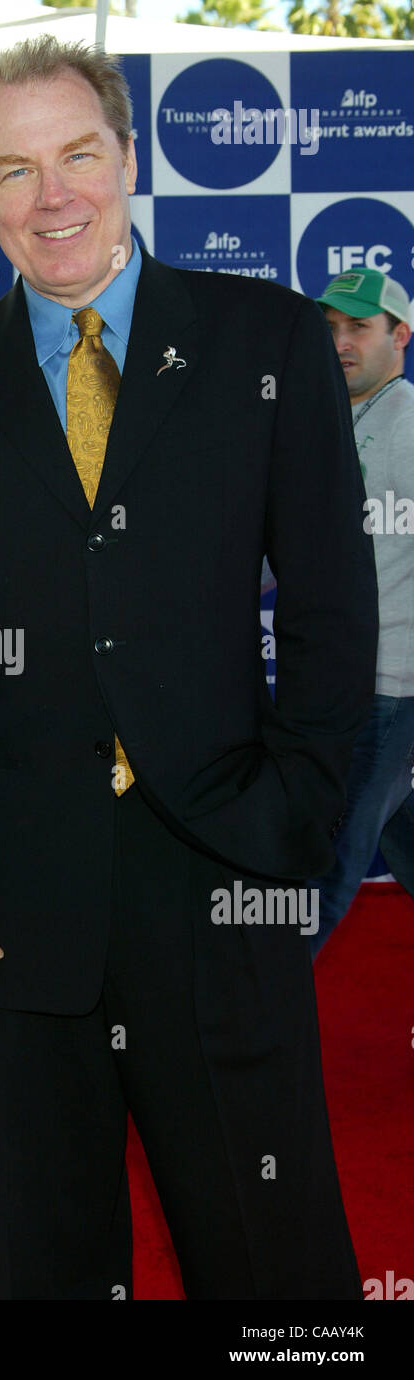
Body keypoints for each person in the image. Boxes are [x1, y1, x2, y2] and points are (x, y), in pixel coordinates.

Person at [0, 37, 378, 1300]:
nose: (56, 197)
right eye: (18, 170)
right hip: (17, 910)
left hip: (223, 869)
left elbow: (329, 602)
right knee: (50, 1261)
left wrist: (295, 814)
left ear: (130, 160)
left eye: (80, 154)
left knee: (276, 1262)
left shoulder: (264, 338)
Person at [305, 270, 414, 956]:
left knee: (326, 863)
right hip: (343, 682)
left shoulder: (407, 430)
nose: (341, 343)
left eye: (359, 328)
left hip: (386, 689)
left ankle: (246, 1036)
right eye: (331, 328)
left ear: (400, 336)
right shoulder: (325, 421)